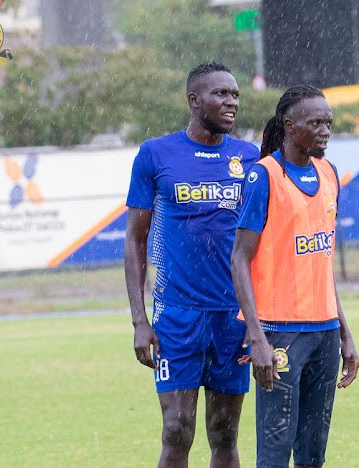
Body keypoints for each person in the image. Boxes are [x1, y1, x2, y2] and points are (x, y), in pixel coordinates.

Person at [125, 62, 259, 468]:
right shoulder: (155, 154)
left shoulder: (248, 157)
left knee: (225, 433)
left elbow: (261, 243)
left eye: (235, 94)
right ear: (194, 100)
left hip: (232, 316)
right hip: (177, 314)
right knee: (177, 430)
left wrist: (258, 322)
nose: (231, 102)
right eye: (221, 94)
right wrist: (139, 321)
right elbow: (135, 241)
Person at [231, 85, 359, 468]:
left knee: (313, 452)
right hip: (280, 333)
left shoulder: (329, 173)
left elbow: (321, 264)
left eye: (329, 123)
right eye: (315, 122)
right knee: (275, 450)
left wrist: (344, 333)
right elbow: (239, 260)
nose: (325, 130)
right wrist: (256, 337)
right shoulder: (264, 177)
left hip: (324, 334)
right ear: (290, 126)